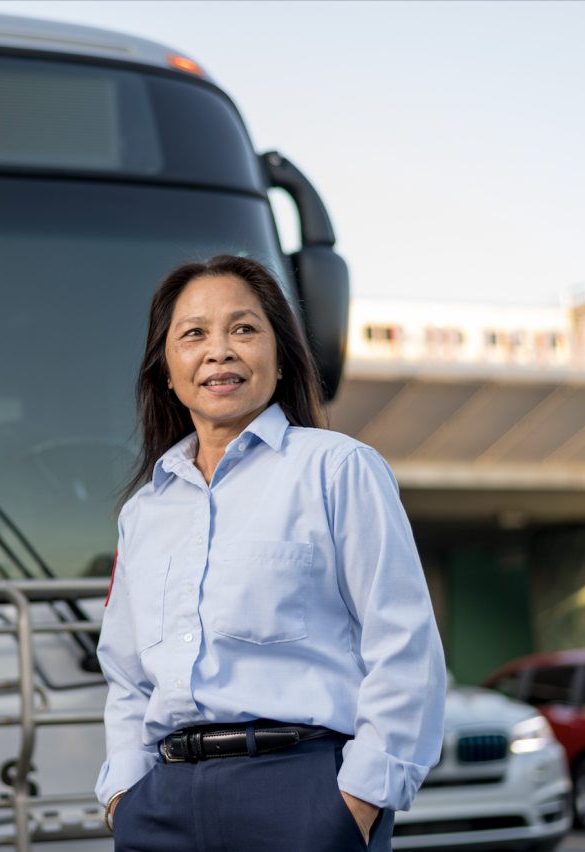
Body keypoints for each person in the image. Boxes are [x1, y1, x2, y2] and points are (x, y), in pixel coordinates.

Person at [95, 255, 445, 851]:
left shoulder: (338, 469)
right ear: (167, 372)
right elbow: (127, 677)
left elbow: (404, 646)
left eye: (244, 329)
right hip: (163, 805)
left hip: (302, 795)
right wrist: (124, 797)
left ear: (280, 359)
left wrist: (355, 803)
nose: (220, 351)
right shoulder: (144, 513)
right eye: (194, 334)